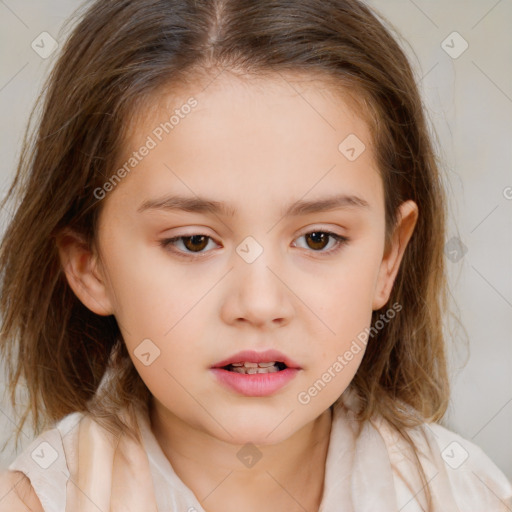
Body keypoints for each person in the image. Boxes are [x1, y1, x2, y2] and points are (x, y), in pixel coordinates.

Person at [0, 0, 510, 510]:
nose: (261, 303)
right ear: (90, 265)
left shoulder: (468, 496)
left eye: (318, 239)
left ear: (388, 257)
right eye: (194, 241)